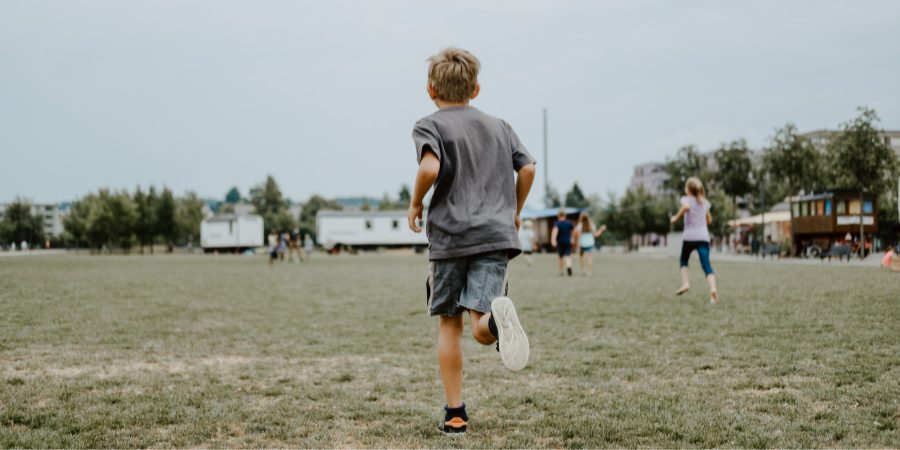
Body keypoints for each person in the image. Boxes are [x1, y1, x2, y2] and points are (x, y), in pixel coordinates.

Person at [406, 47, 536, 435]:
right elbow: (527, 167)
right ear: (476, 89)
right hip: (495, 236)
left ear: (431, 90)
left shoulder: (430, 125)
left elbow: (430, 166)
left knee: (450, 325)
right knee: (480, 322)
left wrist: (415, 204)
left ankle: (456, 415)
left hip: (450, 238)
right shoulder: (500, 126)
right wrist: (514, 208)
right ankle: (496, 321)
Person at [670, 177, 718, 304]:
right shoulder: (704, 202)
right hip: (703, 237)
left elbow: (686, 206)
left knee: (684, 260)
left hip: (689, 237)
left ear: (688, 190)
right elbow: (709, 221)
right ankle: (713, 289)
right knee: (706, 265)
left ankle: (685, 283)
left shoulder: (686, 199)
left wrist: (675, 218)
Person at [573, 212, 606, 276]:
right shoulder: (591, 225)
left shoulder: (579, 225)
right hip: (590, 244)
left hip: (582, 244)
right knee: (589, 258)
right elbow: (596, 235)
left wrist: (577, 244)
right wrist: (601, 230)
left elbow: (578, 236)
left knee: (581, 257)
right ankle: (589, 271)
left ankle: (583, 270)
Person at [550, 208, 575, 276]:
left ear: (558, 215)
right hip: (568, 241)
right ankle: (568, 266)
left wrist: (553, 240)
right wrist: (572, 238)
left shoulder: (557, 223)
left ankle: (561, 272)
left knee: (560, 257)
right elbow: (574, 229)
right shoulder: (569, 222)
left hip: (560, 242)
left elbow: (555, 231)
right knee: (568, 255)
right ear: (565, 215)